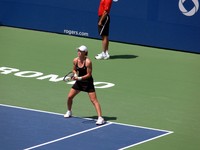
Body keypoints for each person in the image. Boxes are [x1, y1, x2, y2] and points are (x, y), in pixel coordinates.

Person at [64, 45, 105, 125]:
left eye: (80, 51)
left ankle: (100, 118)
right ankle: (69, 111)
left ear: (85, 53)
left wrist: (79, 78)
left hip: (87, 83)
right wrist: (75, 74)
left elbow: (89, 74)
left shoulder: (88, 62)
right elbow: (74, 69)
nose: (78, 52)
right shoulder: (75, 60)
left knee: (94, 100)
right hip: (79, 82)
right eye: (78, 50)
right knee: (69, 97)